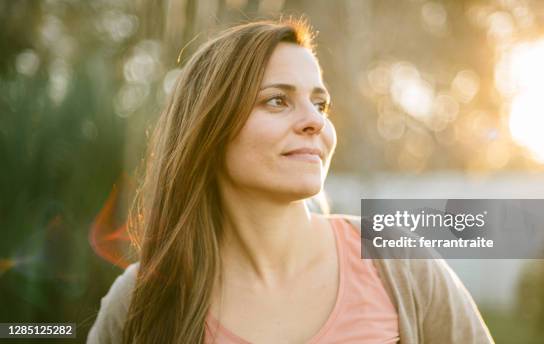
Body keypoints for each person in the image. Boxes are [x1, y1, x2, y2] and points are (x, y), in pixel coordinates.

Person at [87, 19, 494, 344]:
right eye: (277, 100)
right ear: (208, 129)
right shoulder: (140, 299)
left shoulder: (396, 262)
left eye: (320, 104)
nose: (315, 120)